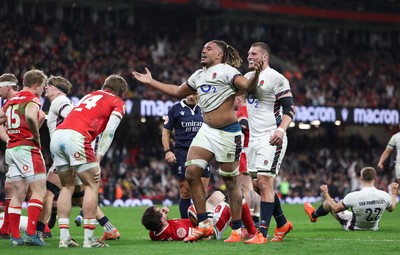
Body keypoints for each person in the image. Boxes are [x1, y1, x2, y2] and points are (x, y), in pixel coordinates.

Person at [132, 39, 262, 243]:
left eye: (208, 49)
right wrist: (151, 82)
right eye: (202, 48)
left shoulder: (227, 71)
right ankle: (203, 225)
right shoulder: (199, 75)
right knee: (191, 173)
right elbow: (176, 91)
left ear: (219, 55)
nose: (203, 51)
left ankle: (237, 230)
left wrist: (257, 74)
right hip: (207, 130)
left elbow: (245, 86)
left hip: (228, 132)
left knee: (230, 182)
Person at [37, 75, 120, 244]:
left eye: (49, 85)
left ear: (58, 89)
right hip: (73, 147)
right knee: (82, 194)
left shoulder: (61, 101)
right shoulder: (66, 102)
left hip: (67, 147)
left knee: (52, 191)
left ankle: (41, 231)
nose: (46, 87)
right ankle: (107, 229)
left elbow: (75, 119)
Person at [243, 42, 295, 244]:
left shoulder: (276, 78)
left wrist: (280, 130)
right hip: (253, 140)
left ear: (264, 57)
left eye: (253, 53)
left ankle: (262, 233)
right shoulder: (248, 78)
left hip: (270, 137)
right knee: (257, 186)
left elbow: (290, 109)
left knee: (265, 183)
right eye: (248, 53)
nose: (249, 56)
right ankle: (282, 223)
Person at [0, 69, 48, 246]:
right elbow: (30, 115)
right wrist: (35, 136)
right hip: (27, 148)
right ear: (35, 85)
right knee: (39, 190)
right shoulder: (32, 98)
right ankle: (31, 234)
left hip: (11, 149)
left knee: (18, 192)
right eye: (42, 87)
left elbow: (1, 118)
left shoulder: (12, 100)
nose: (42, 90)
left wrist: (10, 135)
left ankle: (15, 237)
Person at [162, 93, 210, 219]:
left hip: (203, 151)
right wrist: (168, 150)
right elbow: (166, 131)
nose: (191, 96)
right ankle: (186, 223)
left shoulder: (205, 107)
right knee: (185, 191)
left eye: (194, 93)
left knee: (203, 190)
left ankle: (203, 223)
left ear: (200, 94)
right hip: (183, 152)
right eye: (188, 93)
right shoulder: (175, 109)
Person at [304, 167, 398, 230]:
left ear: (361, 179)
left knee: (328, 203)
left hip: (354, 226)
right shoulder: (384, 195)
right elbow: (392, 208)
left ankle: (314, 215)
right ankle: (314, 215)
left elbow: (336, 208)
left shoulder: (353, 196)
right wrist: (393, 192)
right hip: (373, 227)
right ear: (375, 179)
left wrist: (326, 193)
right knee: (350, 213)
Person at [141, 191, 230, 241]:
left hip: (202, 224)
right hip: (212, 230)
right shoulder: (178, 231)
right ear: (161, 219)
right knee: (225, 205)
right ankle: (240, 226)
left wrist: (164, 214)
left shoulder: (153, 233)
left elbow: (161, 229)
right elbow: (203, 237)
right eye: (160, 210)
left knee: (217, 195)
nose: (162, 209)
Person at [234, 95, 260, 229]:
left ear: (238, 99)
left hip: (244, 151)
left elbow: (243, 126)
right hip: (253, 150)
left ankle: (248, 220)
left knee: (246, 187)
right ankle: (256, 216)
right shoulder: (251, 110)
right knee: (255, 186)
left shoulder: (242, 110)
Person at [0, 73, 20, 239]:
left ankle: (42, 228)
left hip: (26, 148)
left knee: (33, 188)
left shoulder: (24, 99)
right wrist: (8, 140)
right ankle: (7, 229)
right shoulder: (6, 104)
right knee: (10, 187)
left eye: (0, 87)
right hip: (14, 149)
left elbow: (39, 117)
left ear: (8, 86)